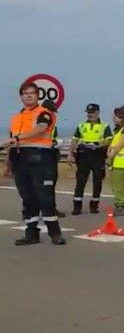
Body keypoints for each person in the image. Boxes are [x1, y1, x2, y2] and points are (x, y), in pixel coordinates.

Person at [1, 82, 66, 245]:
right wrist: (7, 163)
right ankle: (31, 233)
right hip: (19, 160)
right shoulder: (16, 118)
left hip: (41, 160)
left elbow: (41, 128)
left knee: (45, 198)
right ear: (21, 97)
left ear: (38, 96)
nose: (28, 95)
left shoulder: (44, 113)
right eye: (25, 93)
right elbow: (11, 142)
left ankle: (55, 233)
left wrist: (17, 138)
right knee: (28, 198)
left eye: (32, 93)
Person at [67, 103, 113, 214]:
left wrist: (99, 145)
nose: (89, 114)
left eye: (92, 112)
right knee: (80, 181)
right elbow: (74, 140)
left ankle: (94, 204)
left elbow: (109, 139)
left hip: (97, 154)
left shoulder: (104, 126)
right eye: (88, 112)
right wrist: (70, 154)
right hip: (84, 154)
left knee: (97, 181)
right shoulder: (82, 125)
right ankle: (77, 206)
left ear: (97, 112)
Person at [106, 106, 124, 216]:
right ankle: (121, 205)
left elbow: (120, 145)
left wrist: (111, 155)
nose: (113, 119)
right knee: (117, 185)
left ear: (121, 118)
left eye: (115, 117)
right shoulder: (118, 131)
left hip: (120, 163)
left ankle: (120, 206)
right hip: (115, 163)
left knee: (118, 186)